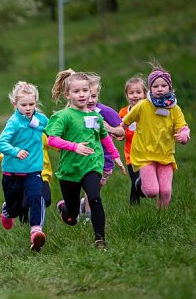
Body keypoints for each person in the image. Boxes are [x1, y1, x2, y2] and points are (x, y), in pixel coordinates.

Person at [45, 69, 125, 249]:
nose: (82, 95)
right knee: (72, 217)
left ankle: (100, 240)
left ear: (90, 92)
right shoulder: (63, 116)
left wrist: (116, 156)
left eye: (85, 91)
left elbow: (103, 137)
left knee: (95, 198)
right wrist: (75, 147)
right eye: (76, 91)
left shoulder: (95, 116)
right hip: (70, 170)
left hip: (92, 165)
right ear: (67, 95)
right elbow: (52, 140)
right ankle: (64, 208)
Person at [121, 64, 190, 209]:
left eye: (163, 85)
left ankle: (161, 218)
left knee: (165, 191)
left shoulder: (174, 108)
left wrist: (184, 135)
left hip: (165, 154)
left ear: (169, 87)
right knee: (152, 191)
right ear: (150, 89)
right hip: (144, 154)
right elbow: (125, 121)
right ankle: (140, 182)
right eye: (156, 86)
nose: (160, 89)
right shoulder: (143, 105)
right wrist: (116, 130)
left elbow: (182, 126)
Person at [0, 81, 49, 251]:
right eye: (23, 105)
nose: (28, 108)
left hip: (34, 170)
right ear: (15, 104)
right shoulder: (13, 123)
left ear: (36, 102)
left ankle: (36, 231)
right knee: (15, 210)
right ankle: (7, 211)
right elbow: (1, 143)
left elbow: (54, 132)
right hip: (12, 172)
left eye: (31, 104)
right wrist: (15, 151)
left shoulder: (41, 119)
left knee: (36, 197)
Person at [78, 74, 125, 222]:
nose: (90, 100)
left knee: (98, 185)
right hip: (86, 156)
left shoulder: (106, 112)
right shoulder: (76, 111)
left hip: (106, 158)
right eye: (87, 96)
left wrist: (109, 128)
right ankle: (88, 216)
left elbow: (122, 132)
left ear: (98, 95)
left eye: (94, 96)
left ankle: (84, 204)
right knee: (91, 185)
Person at [118, 75, 147, 205]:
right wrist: (119, 135)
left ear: (145, 94)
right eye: (131, 93)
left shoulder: (148, 111)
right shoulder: (123, 113)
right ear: (127, 95)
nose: (135, 96)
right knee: (135, 181)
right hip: (130, 155)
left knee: (144, 181)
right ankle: (134, 208)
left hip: (148, 153)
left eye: (138, 92)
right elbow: (120, 131)